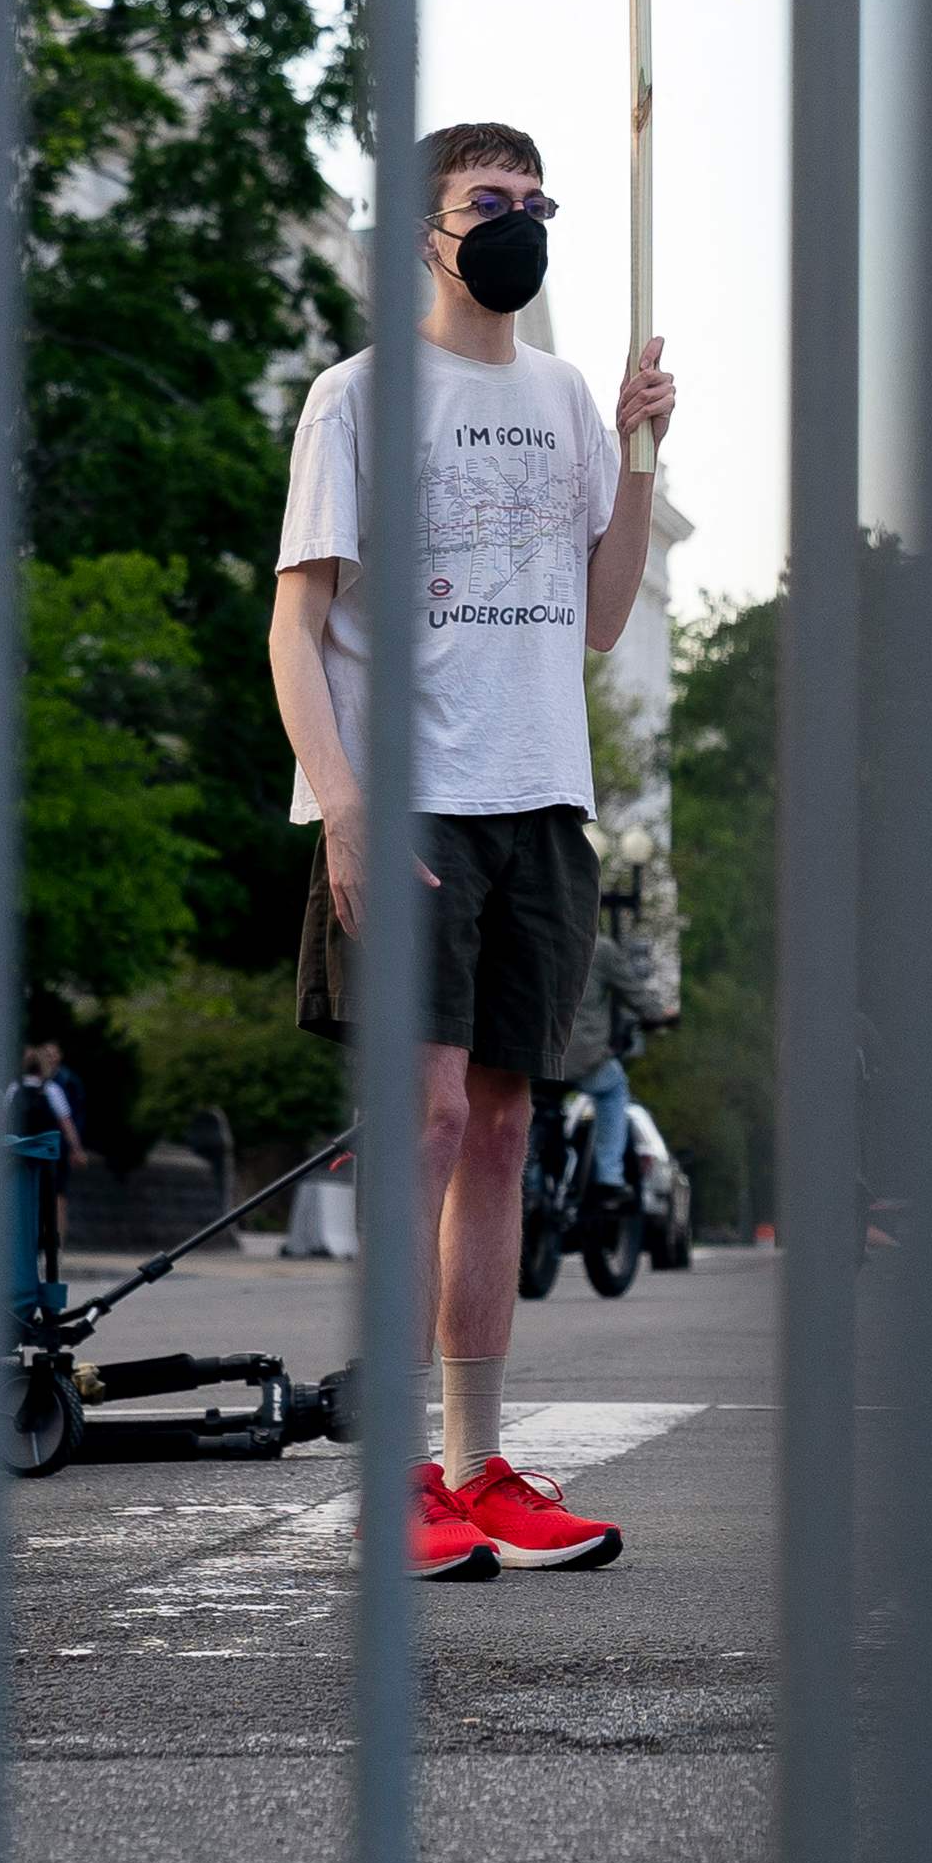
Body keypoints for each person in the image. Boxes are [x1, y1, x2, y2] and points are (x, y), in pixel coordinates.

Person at [268, 119, 673, 1581]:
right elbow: (295, 627)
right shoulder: (357, 396)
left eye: (535, 202)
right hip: (412, 796)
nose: (518, 222)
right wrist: (347, 804)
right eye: (488, 201)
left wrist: (633, 455)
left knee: (505, 1129)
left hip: (539, 800)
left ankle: (474, 1464)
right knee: (425, 1122)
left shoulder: (562, 392)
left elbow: (604, 613)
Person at [575, 926, 643, 1218]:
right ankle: (609, 1177)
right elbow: (636, 995)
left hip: (525, 1056)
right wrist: (661, 1014)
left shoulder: (523, 931)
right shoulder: (599, 948)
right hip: (580, 1058)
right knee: (615, 1086)